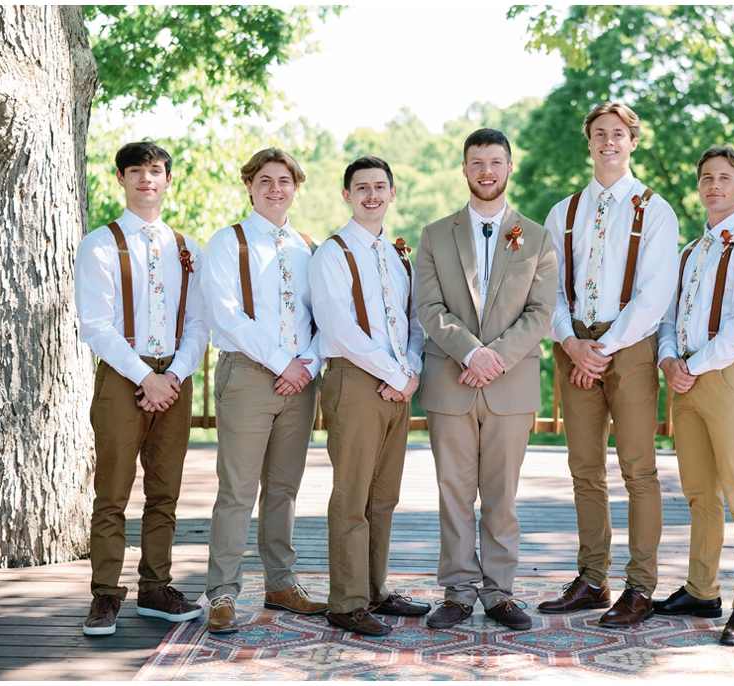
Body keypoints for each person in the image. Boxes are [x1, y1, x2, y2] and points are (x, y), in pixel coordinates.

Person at [539, 103, 679, 628]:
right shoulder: (564, 212)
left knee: (639, 469)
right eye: (599, 134)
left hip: (632, 348)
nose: (608, 142)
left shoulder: (655, 210)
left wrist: (604, 348)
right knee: (584, 469)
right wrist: (573, 342)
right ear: (589, 142)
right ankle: (592, 579)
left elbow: (655, 293)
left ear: (633, 141)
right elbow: (548, 289)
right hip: (575, 347)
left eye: (618, 134)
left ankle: (640, 586)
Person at [414, 128, 557, 631]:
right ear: (464, 169)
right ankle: (456, 591)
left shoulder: (538, 237)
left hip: (510, 384)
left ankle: (500, 593)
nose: (487, 171)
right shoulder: (434, 234)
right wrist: (470, 353)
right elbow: (428, 307)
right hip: (450, 382)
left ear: (509, 167)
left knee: (501, 496)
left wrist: (494, 357)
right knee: (453, 493)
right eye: (477, 162)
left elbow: (541, 313)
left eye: (496, 162)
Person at [75, 141, 209, 636]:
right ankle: (105, 596)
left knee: (164, 492)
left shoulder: (187, 247)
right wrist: (145, 376)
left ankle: (156, 588)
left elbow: (199, 322)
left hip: (174, 377)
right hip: (123, 374)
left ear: (168, 180)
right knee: (112, 491)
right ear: (121, 179)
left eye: (155, 171)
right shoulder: (100, 243)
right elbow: (95, 325)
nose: (146, 179)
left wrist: (172, 376)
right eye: (136, 171)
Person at [655, 146, 734, 646]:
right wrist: (669, 362)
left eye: (724, 178)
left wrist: (691, 365)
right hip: (684, 381)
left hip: (727, 378)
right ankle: (701, 589)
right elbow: (667, 320)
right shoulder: (689, 251)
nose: (713, 186)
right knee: (699, 493)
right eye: (706, 177)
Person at [201, 148, 326, 633]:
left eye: (285, 181)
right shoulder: (227, 243)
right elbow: (227, 315)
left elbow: (324, 315)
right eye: (266, 180)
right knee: (237, 489)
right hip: (249, 375)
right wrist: (284, 364)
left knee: (284, 488)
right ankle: (222, 593)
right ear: (249, 186)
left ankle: (281, 583)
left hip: (301, 381)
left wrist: (306, 365)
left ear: (296, 188)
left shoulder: (307, 245)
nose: (276, 188)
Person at [309, 156, 429, 636]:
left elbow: (415, 323)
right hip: (355, 382)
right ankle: (346, 602)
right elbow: (339, 329)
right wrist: (395, 373)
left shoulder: (399, 256)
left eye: (380, 186)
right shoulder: (333, 253)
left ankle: (376, 590)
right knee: (352, 496)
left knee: (384, 496)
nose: (372, 195)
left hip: (397, 384)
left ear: (392, 193)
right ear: (347, 195)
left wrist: (411, 371)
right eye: (362, 188)